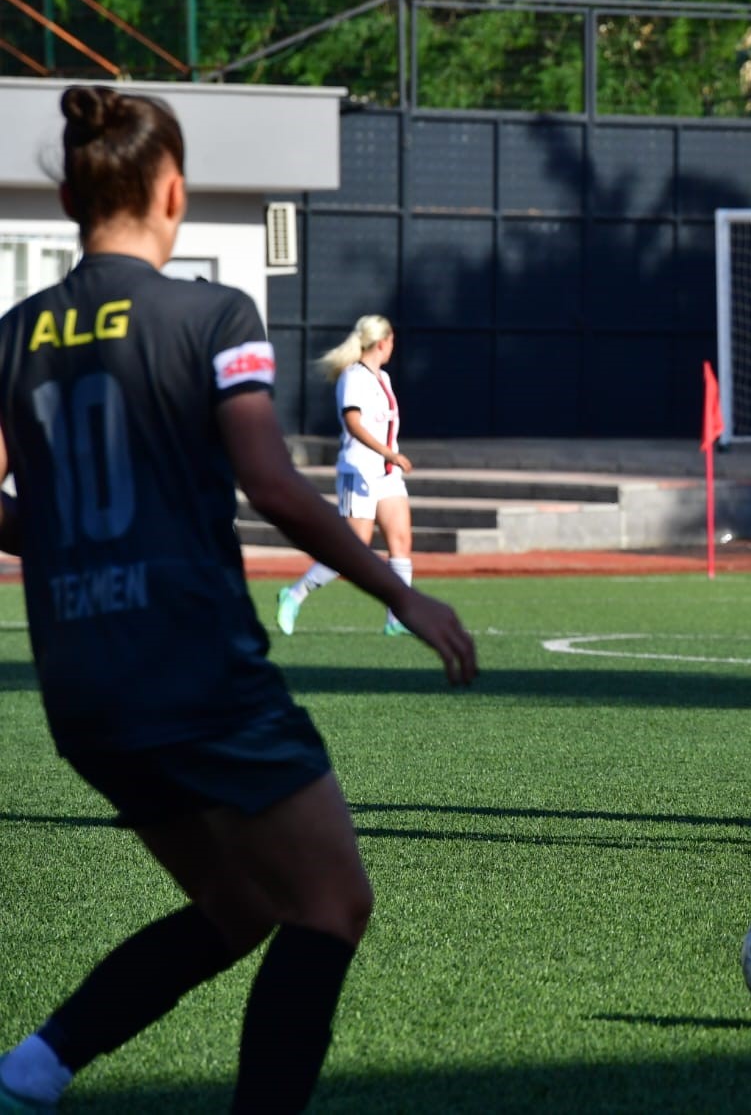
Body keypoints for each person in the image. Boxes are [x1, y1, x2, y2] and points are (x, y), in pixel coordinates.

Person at [0, 86, 475, 1114]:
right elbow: (270, 484)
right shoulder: (211, 314)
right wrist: (406, 593)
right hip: (194, 662)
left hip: (82, 685)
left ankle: (32, 1070)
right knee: (332, 903)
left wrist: (60, 533)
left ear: (74, 199)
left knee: (236, 906)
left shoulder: (18, 333)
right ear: (172, 191)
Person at [274, 316, 416, 639]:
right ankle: (294, 594)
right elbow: (354, 423)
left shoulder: (384, 378)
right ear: (382, 342)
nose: (393, 346)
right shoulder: (353, 377)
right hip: (361, 469)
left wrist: (389, 458)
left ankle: (398, 617)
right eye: (392, 340)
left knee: (401, 541)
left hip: (386, 474)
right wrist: (389, 452)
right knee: (353, 550)